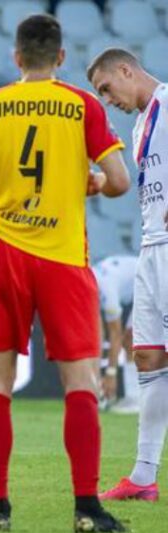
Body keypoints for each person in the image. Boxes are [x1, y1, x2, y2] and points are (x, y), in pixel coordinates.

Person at [0, 14, 131, 533]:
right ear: (60, 57)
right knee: (80, 381)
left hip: (4, 257)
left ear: (15, 57)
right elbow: (119, 181)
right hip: (63, 258)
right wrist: (92, 183)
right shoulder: (82, 105)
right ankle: (86, 508)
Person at [87, 48, 168, 503]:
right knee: (148, 357)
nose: (107, 99)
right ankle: (143, 476)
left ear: (125, 70)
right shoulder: (140, 124)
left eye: (106, 88)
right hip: (151, 248)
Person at [91, 254, 140, 414]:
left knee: (131, 339)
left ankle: (136, 399)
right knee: (130, 340)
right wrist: (97, 375)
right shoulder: (90, 285)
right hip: (142, 287)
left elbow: (115, 334)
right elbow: (98, 334)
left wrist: (111, 374)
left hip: (157, 285)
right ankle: (134, 397)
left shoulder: (106, 288)